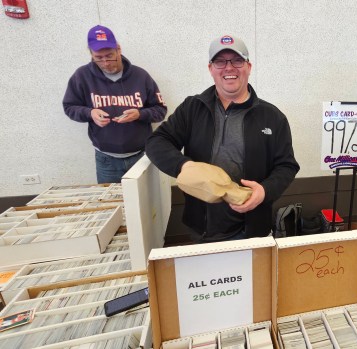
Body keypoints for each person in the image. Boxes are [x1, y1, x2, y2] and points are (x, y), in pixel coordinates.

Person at [146, 34, 299, 243]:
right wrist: (183, 166)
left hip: (251, 228)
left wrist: (264, 191)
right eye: (220, 61)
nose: (229, 68)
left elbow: (287, 166)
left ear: (248, 66)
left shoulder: (272, 117)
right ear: (211, 69)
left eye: (237, 60)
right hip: (201, 227)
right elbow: (156, 141)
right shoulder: (193, 108)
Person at [63, 25, 167, 183]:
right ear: (91, 54)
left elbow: (160, 110)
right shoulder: (82, 76)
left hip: (142, 156)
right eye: (98, 58)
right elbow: (70, 107)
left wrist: (140, 114)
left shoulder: (141, 76)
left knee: (145, 205)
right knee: (112, 202)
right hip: (106, 159)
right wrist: (90, 113)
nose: (105, 63)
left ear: (118, 49)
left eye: (109, 55)